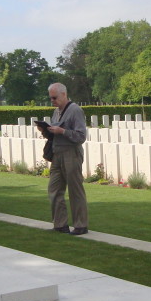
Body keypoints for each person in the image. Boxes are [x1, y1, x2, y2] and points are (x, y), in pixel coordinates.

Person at [42, 83, 88, 234]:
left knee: (75, 190)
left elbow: (81, 136)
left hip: (71, 153)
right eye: (50, 98)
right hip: (57, 154)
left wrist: (62, 131)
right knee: (54, 189)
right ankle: (60, 224)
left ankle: (80, 225)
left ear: (63, 94)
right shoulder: (56, 112)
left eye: (54, 98)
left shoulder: (75, 111)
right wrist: (46, 131)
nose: (52, 101)